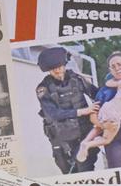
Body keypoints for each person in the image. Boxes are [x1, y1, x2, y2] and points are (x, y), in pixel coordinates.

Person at [34, 45, 99, 173]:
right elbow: (52, 114)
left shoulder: (77, 79)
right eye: (53, 70)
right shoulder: (43, 88)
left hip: (83, 132)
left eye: (59, 67)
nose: (57, 71)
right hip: (61, 136)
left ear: (64, 64)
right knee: (66, 169)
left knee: (84, 167)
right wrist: (81, 111)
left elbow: (96, 94)